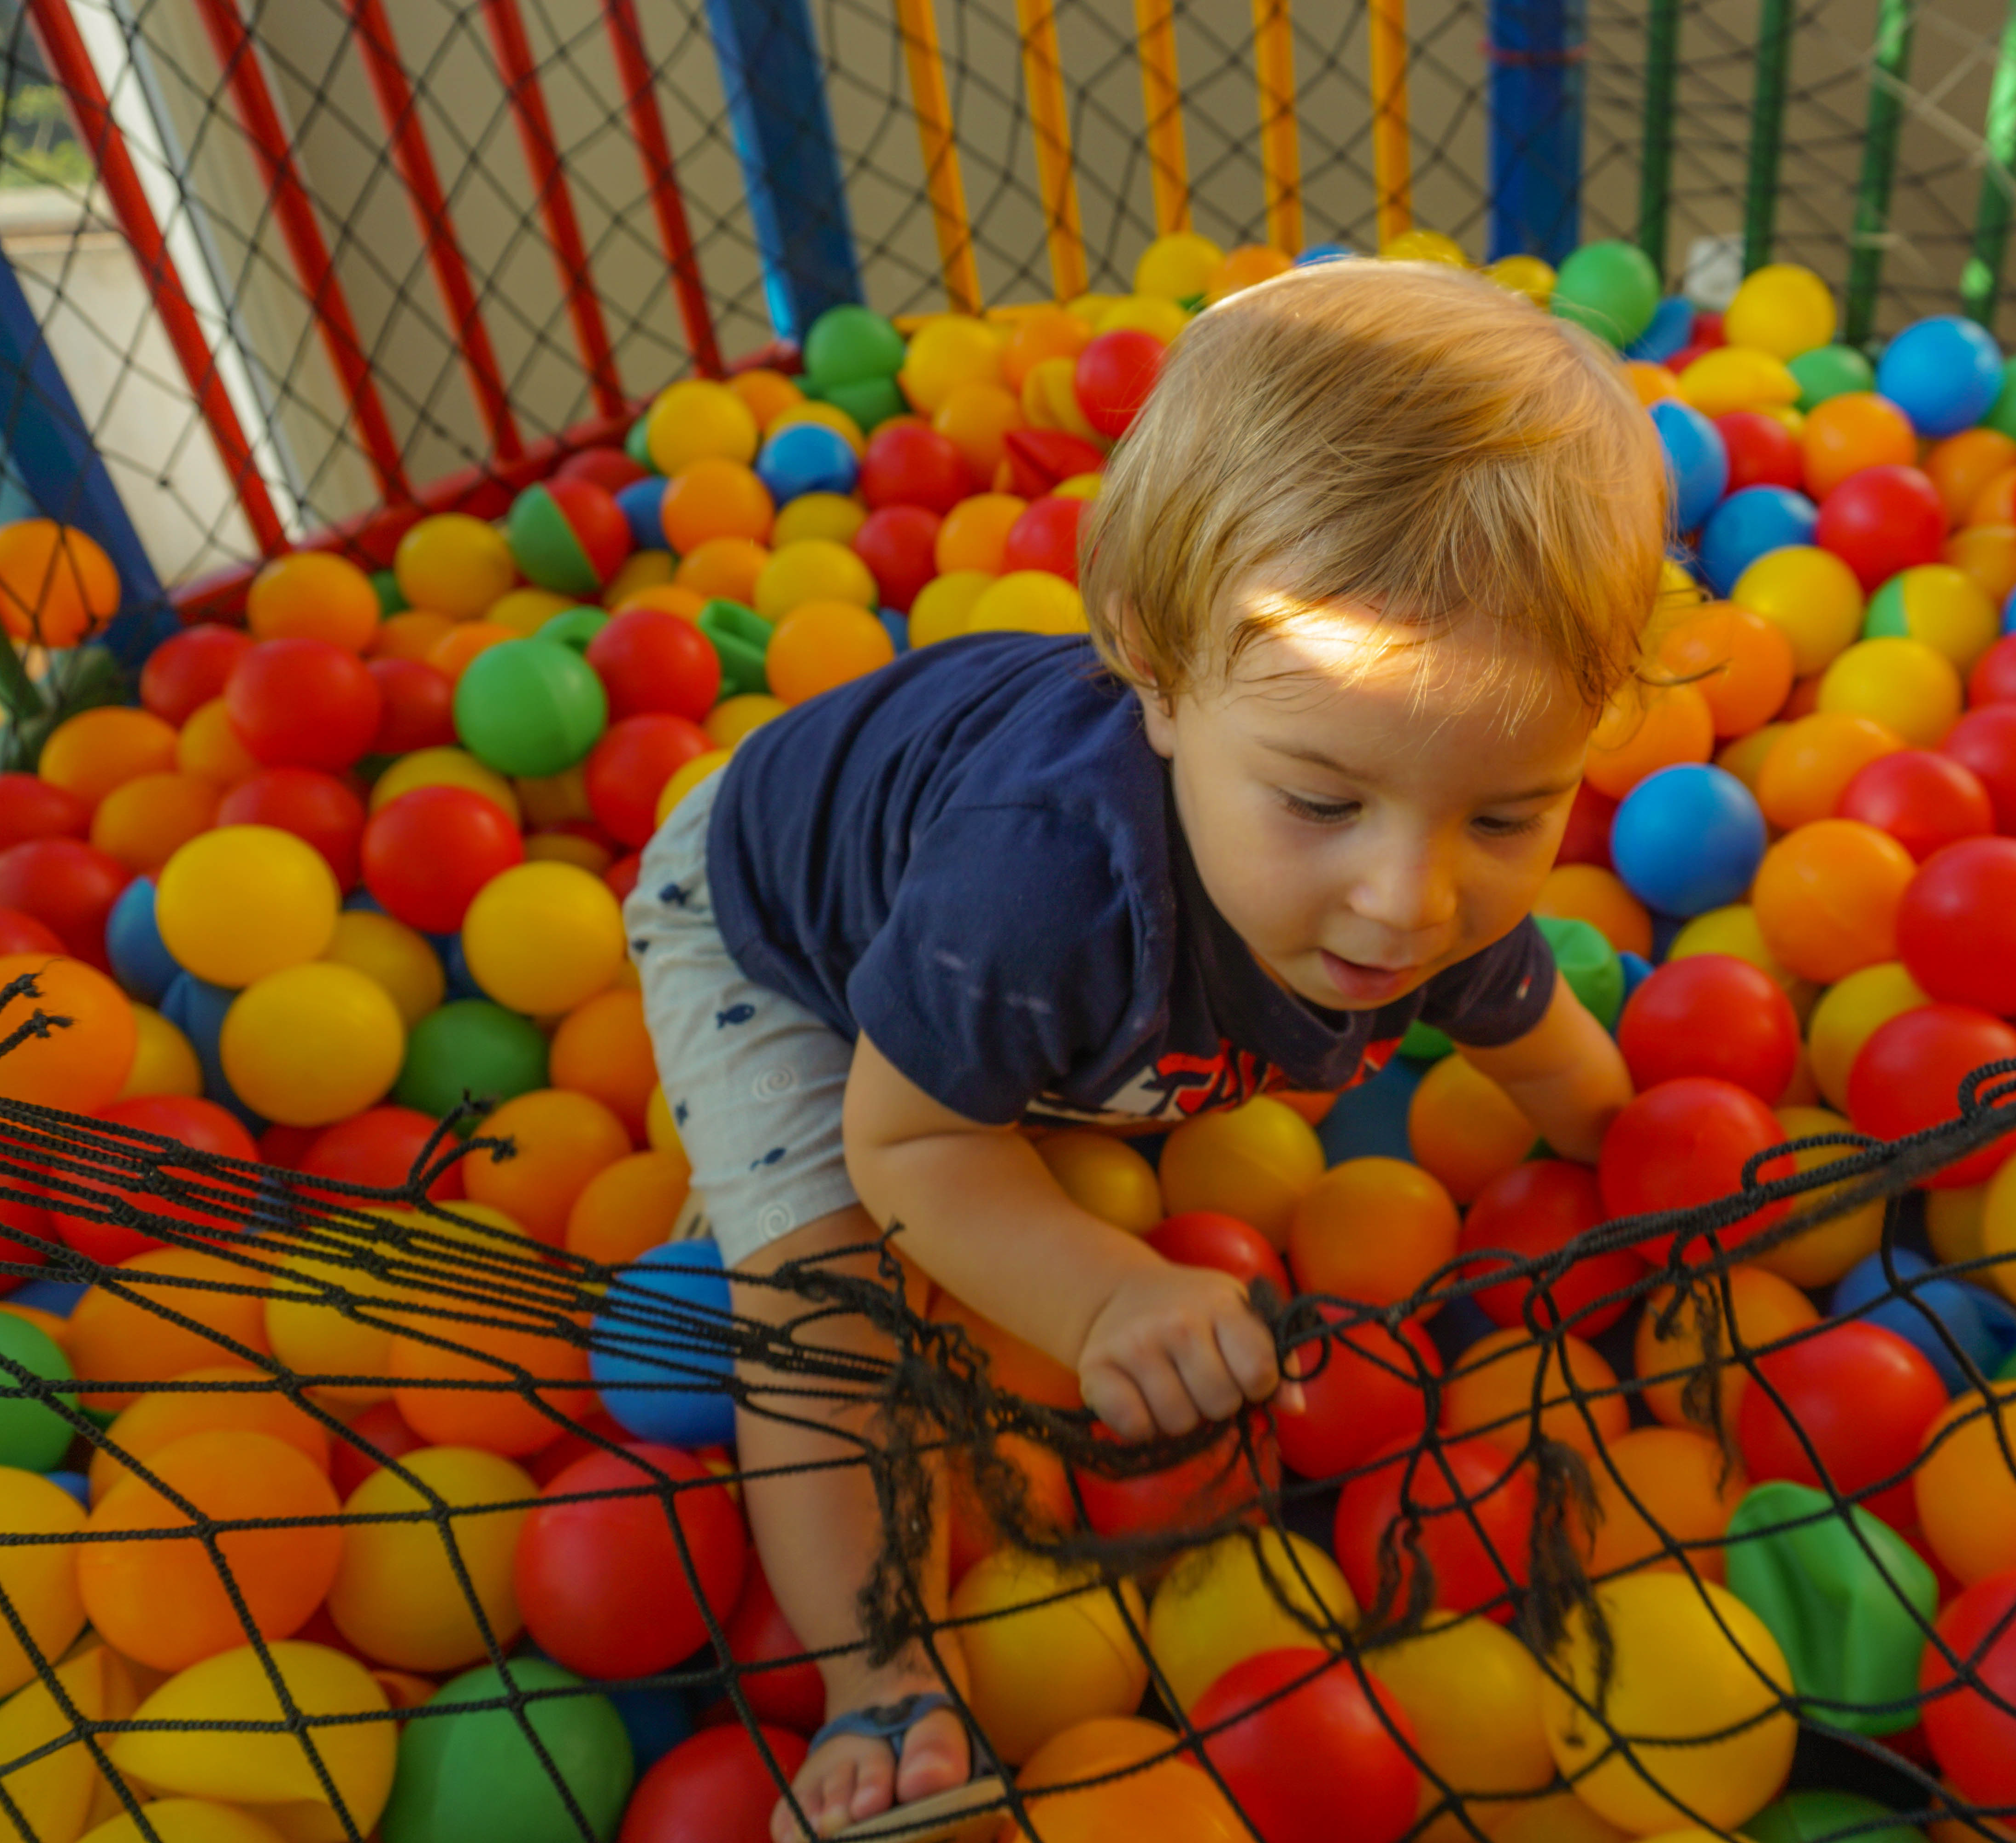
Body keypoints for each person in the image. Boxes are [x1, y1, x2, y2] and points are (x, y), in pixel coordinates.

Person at [625, 257, 1667, 1841]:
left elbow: (1538, 1042)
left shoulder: (1420, 865)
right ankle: (879, 1683)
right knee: (826, 1296)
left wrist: (1648, 1160)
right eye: (1322, 801)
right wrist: (1104, 1293)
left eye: (1512, 813)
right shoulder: (1042, 884)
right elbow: (898, 1149)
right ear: (1160, 677)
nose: (1409, 896)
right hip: (771, 924)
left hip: (991, 973)